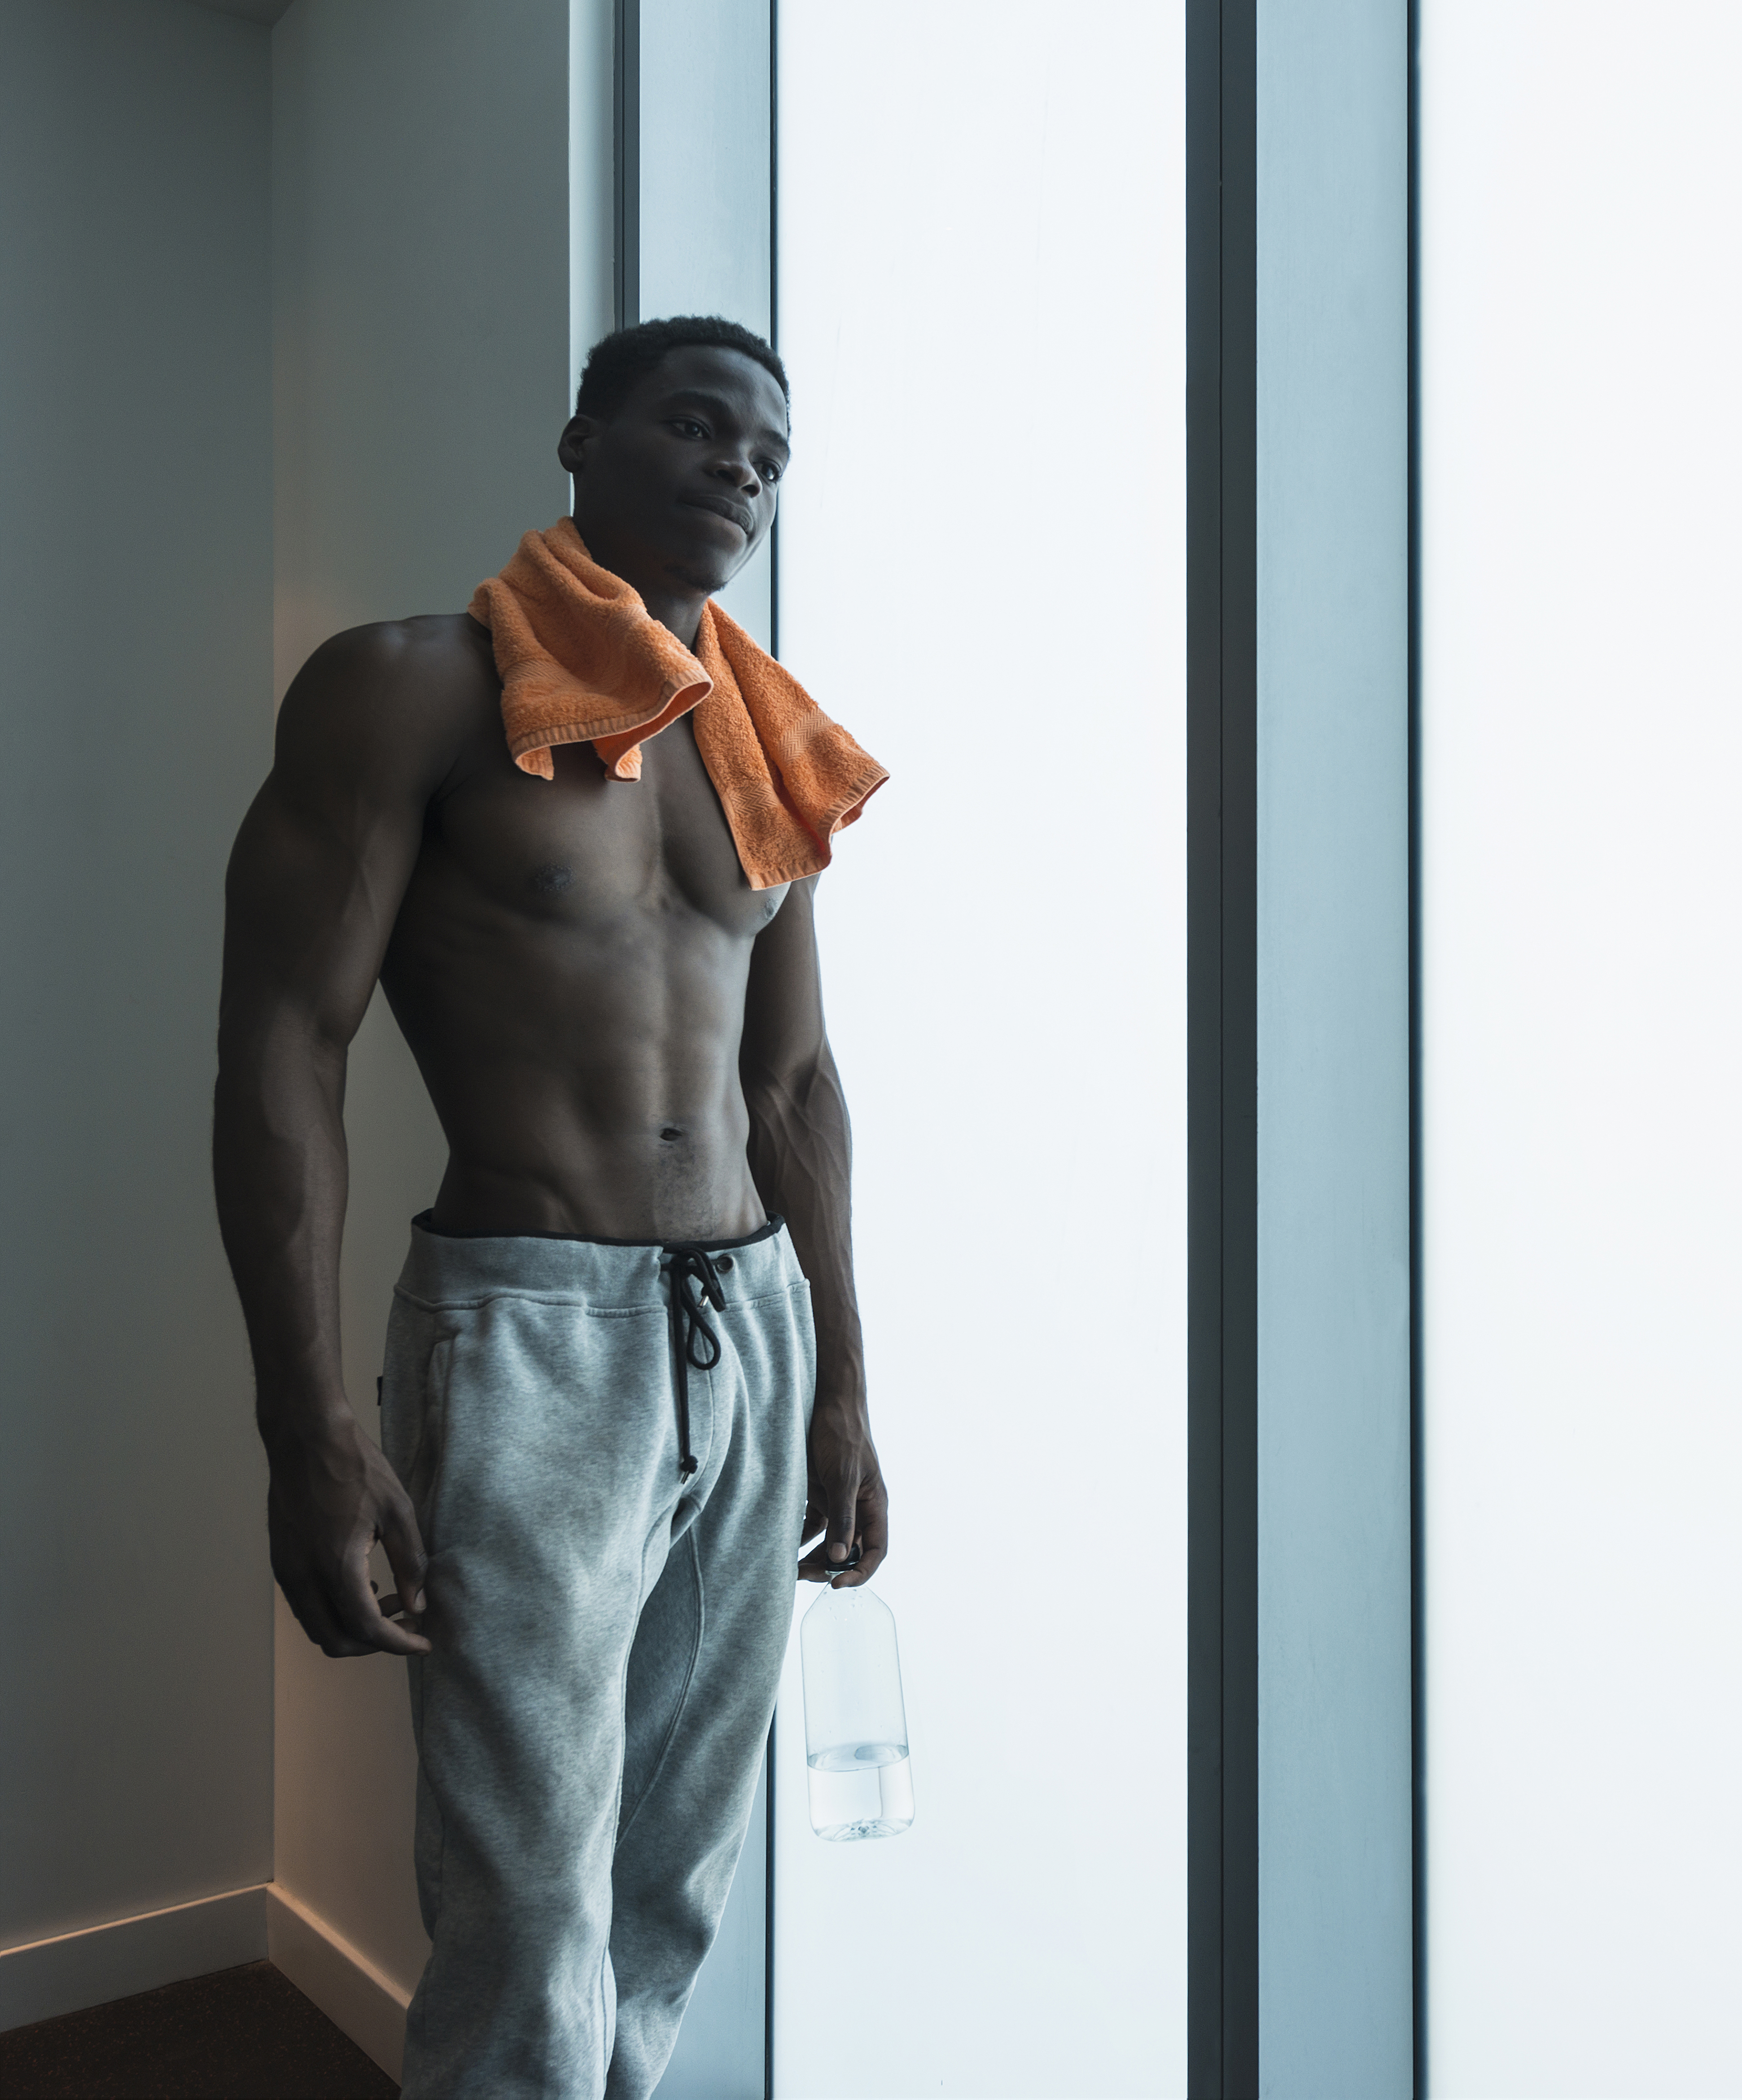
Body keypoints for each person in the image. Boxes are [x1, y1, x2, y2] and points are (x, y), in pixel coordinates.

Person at [213, 315, 889, 2100]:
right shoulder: (410, 686)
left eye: (766, 451)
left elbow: (794, 1089)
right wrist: (310, 1428)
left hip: (748, 1323)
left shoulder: (768, 742)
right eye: (692, 422)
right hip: (528, 1329)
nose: (735, 465)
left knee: (669, 1882)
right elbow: (284, 1047)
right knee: (524, 1904)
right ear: (580, 438)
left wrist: (837, 1381)